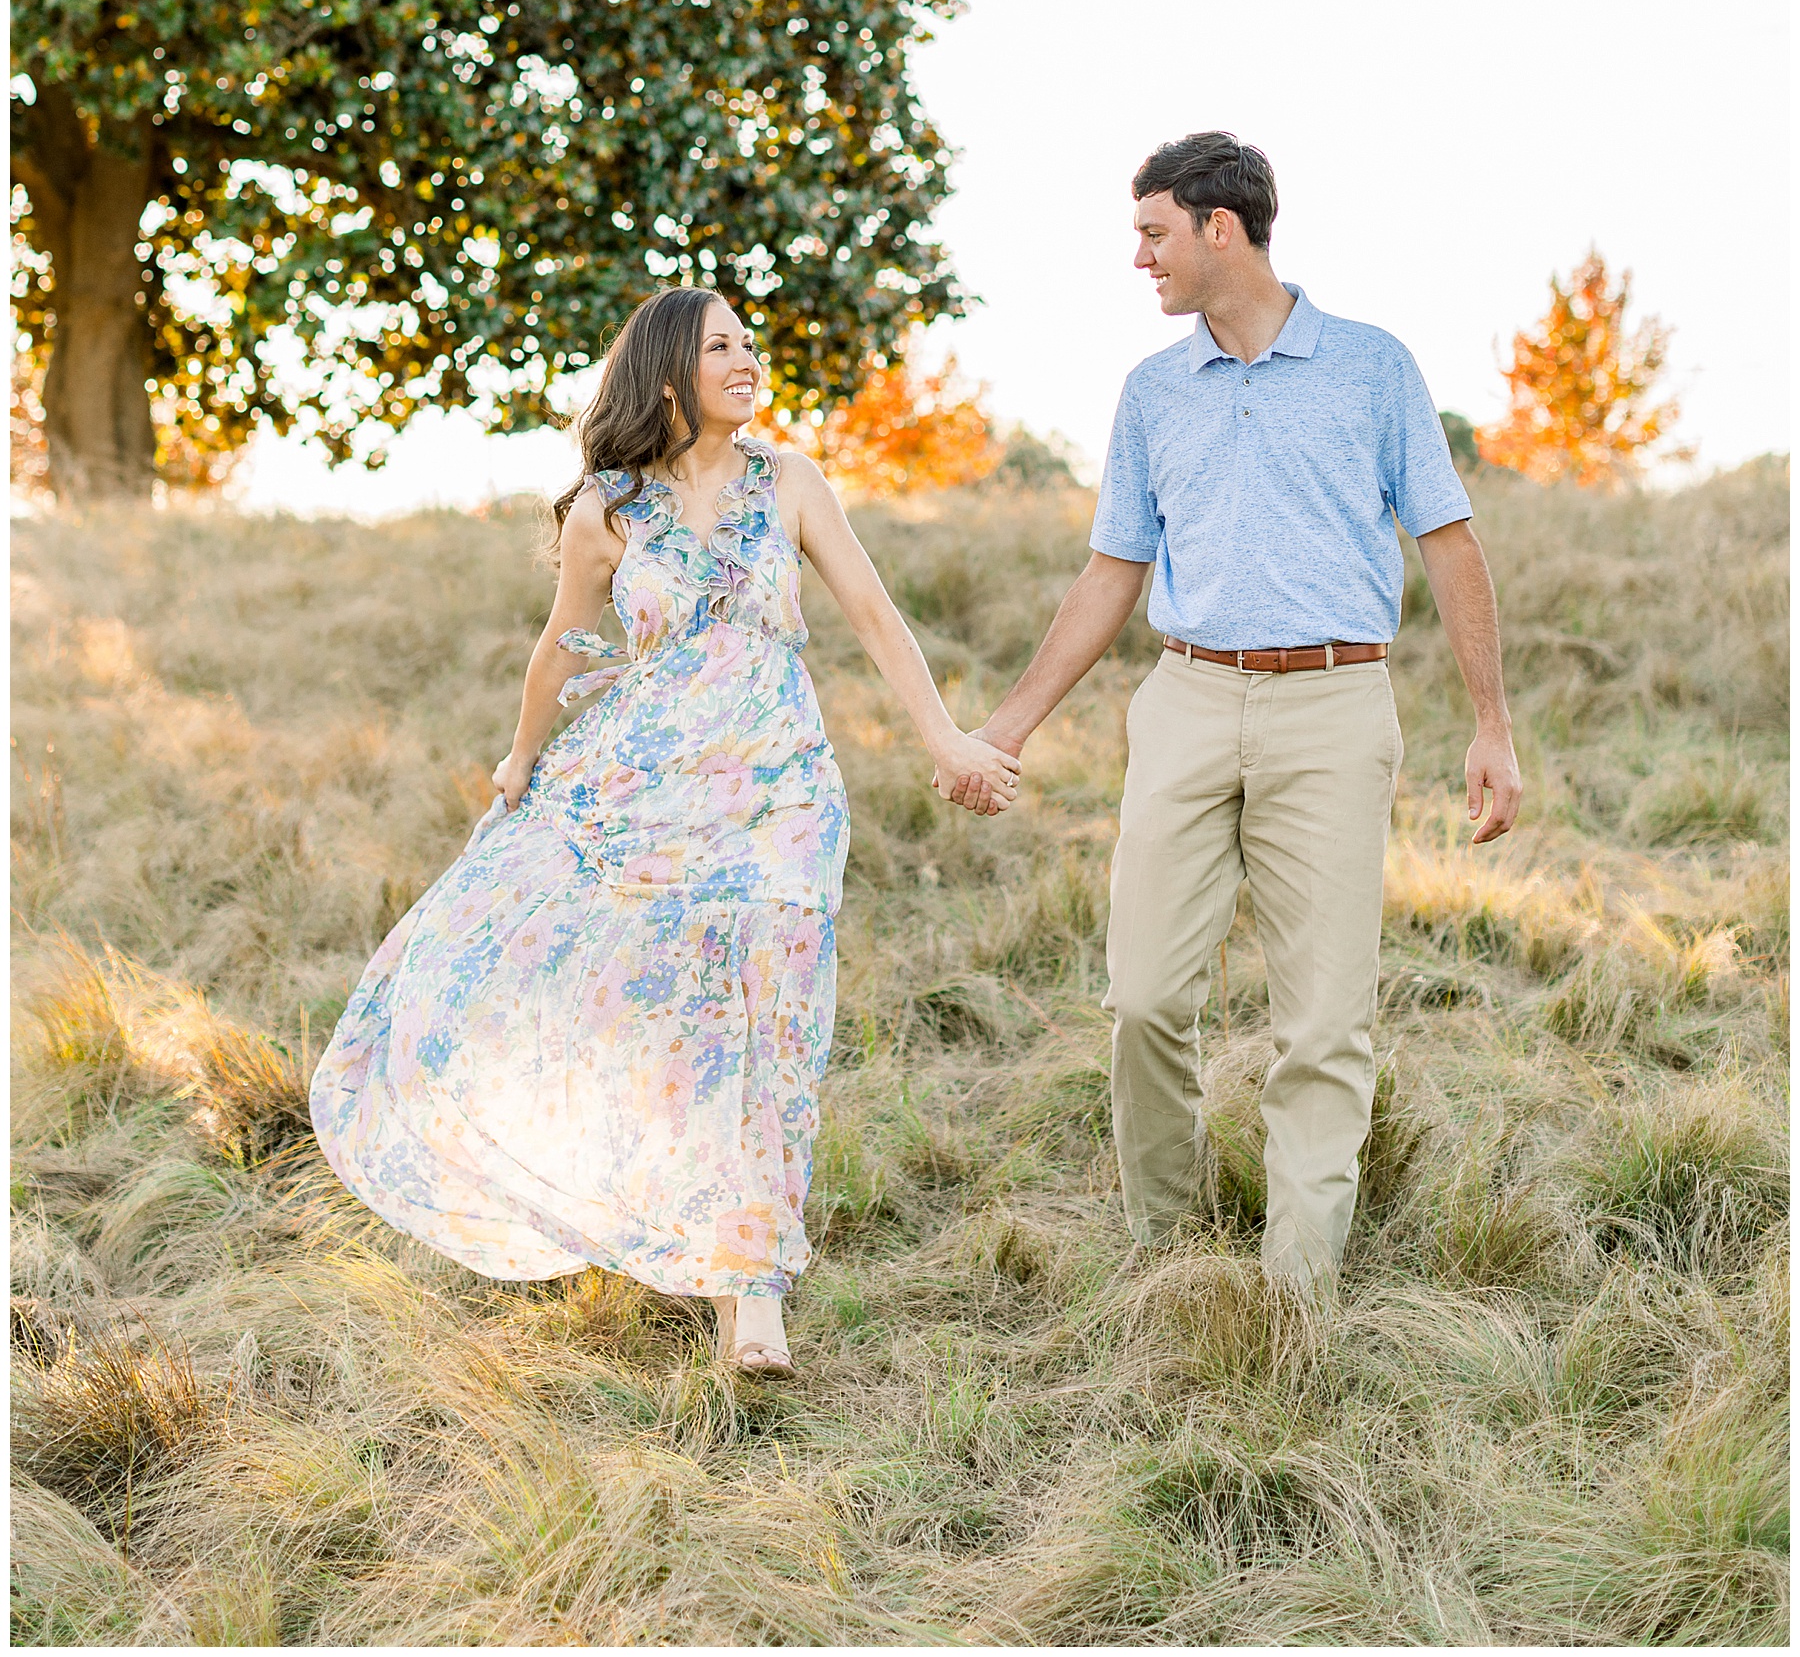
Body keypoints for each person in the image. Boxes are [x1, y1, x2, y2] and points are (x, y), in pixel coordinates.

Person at [310, 288, 1015, 1377]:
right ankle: (670, 1216)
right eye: (718, 344)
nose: (746, 356)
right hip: (641, 794)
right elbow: (560, 648)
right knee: (670, 1020)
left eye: (748, 340)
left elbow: (879, 618)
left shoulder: (791, 483)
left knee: (772, 1017)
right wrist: (520, 759)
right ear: (667, 371)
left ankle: (753, 1291)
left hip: (780, 793)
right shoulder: (608, 508)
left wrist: (948, 737)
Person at [952, 132, 1521, 1290]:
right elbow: (1112, 570)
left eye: (1152, 232)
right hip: (1188, 699)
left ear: (1222, 227)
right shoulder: (1152, 391)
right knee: (1146, 996)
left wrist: (1491, 724)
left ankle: (1292, 1291)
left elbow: (1452, 547)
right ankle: (1168, 1249)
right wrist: (1007, 724)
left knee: (1323, 1022)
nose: (1137, 258)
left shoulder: (1373, 367)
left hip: (1336, 704)